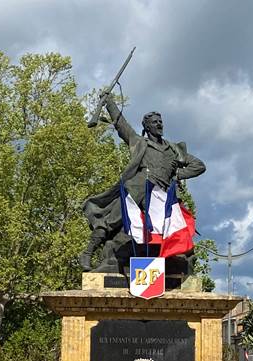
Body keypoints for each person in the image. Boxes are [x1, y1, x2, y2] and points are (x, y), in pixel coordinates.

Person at [79, 94, 206, 272]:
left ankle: (169, 262)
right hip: (137, 189)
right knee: (112, 221)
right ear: (147, 126)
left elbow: (199, 166)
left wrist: (176, 174)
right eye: (155, 122)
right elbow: (121, 124)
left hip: (161, 194)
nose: (159, 124)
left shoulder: (173, 149)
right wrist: (109, 103)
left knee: (172, 227)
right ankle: (88, 252)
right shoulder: (139, 142)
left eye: (160, 121)